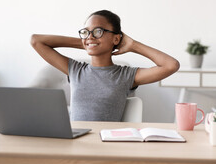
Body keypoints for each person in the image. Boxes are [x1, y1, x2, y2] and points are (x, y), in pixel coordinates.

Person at [30, 10, 180, 121]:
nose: (90, 36)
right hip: (76, 142)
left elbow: (171, 65)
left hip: (106, 143)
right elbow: (36, 41)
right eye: (86, 32)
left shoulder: (125, 75)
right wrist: (89, 42)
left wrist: (132, 45)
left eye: (98, 31)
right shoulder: (75, 70)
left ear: (116, 39)